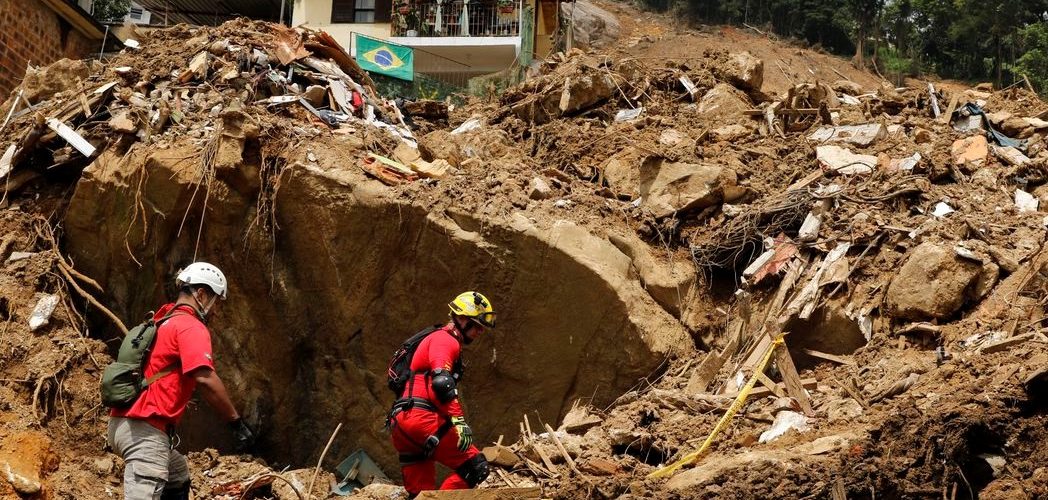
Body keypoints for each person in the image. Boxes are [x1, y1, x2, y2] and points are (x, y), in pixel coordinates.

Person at [107, 262, 256, 500]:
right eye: (215, 301)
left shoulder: (161, 321)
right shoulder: (190, 326)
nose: (216, 310)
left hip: (121, 426)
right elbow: (205, 379)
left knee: (177, 475)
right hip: (145, 433)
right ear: (202, 294)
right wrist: (236, 423)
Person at [388, 291, 496, 498]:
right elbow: (442, 381)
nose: (480, 331)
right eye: (477, 325)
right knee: (476, 467)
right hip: (422, 421)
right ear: (462, 319)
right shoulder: (445, 340)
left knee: (421, 493)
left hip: (402, 426)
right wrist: (459, 421)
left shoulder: (433, 338)